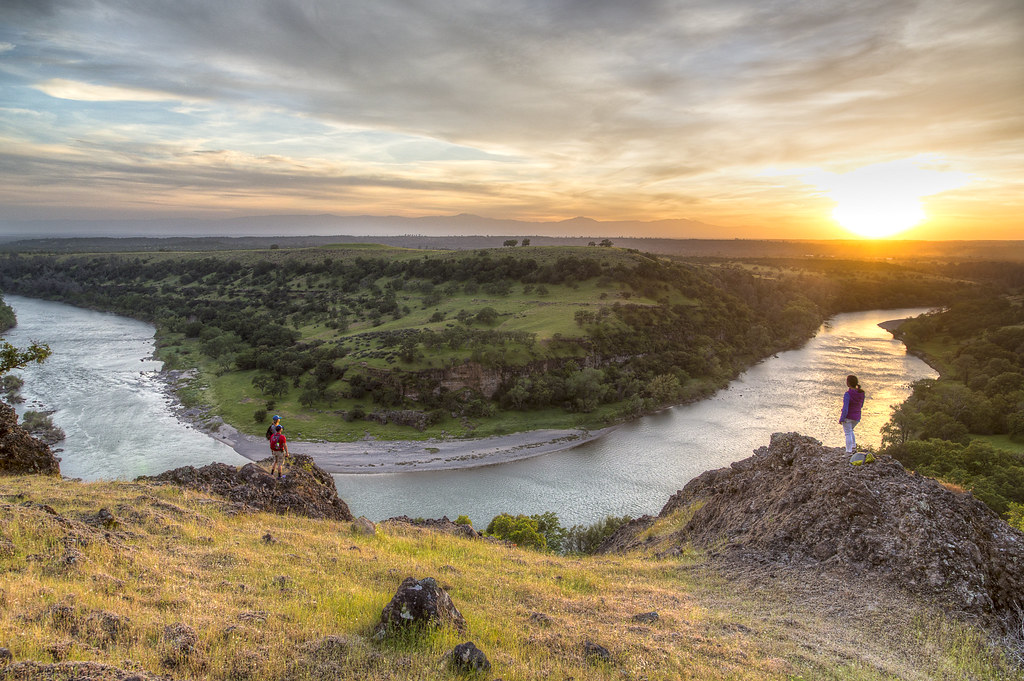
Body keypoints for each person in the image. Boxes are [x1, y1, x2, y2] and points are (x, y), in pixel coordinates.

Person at [840, 374, 872, 465]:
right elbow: (861, 405)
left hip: (848, 416)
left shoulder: (848, 394)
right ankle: (853, 447)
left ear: (848, 383)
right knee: (851, 430)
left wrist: (842, 418)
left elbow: (845, 408)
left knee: (848, 433)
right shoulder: (861, 393)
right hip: (857, 416)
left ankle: (848, 451)